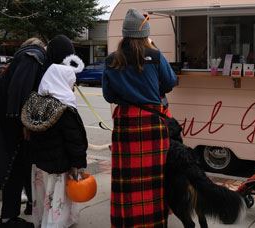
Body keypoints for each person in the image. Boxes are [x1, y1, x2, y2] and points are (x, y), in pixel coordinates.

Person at [102, 8, 178, 227]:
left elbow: (108, 96)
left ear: (125, 33)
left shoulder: (111, 60)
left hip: (126, 124)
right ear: (145, 33)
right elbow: (170, 82)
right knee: (154, 181)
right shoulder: (154, 55)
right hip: (153, 124)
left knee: (127, 181)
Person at [20, 34, 87, 228]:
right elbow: (75, 141)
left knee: (43, 199)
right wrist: (78, 164)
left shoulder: (37, 101)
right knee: (57, 201)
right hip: (59, 167)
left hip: (40, 165)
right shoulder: (66, 109)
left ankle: (42, 222)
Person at [0, 37, 47, 228]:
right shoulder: (33, 56)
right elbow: (20, 90)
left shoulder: (23, 58)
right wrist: (24, 122)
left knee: (25, 164)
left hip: (9, 120)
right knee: (14, 167)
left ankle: (26, 207)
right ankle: (8, 219)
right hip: (12, 123)